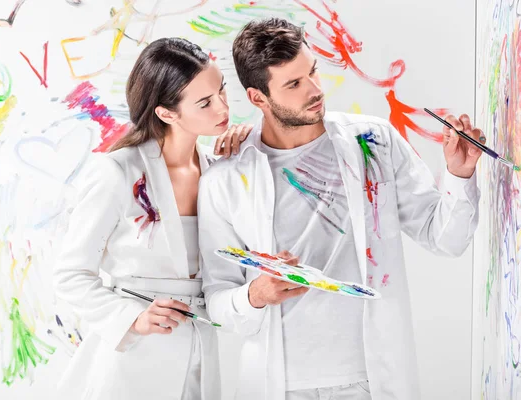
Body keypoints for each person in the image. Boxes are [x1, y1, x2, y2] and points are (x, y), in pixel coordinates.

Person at [198, 18, 481, 400]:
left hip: (371, 377)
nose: (315, 90)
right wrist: (257, 294)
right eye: (294, 84)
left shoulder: (372, 140)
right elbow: (216, 300)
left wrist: (459, 175)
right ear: (257, 98)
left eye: (312, 71)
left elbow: (446, 240)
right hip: (280, 385)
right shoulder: (227, 178)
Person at [53, 37, 252, 400]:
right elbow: (70, 275)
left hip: (202, 351)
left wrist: (248, 151)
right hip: (134, 358)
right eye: (205, 102)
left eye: (222, 90)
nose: (223, 107)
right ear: (166, 113)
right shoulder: (117, 172)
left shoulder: (218, 171)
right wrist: (133, 318)